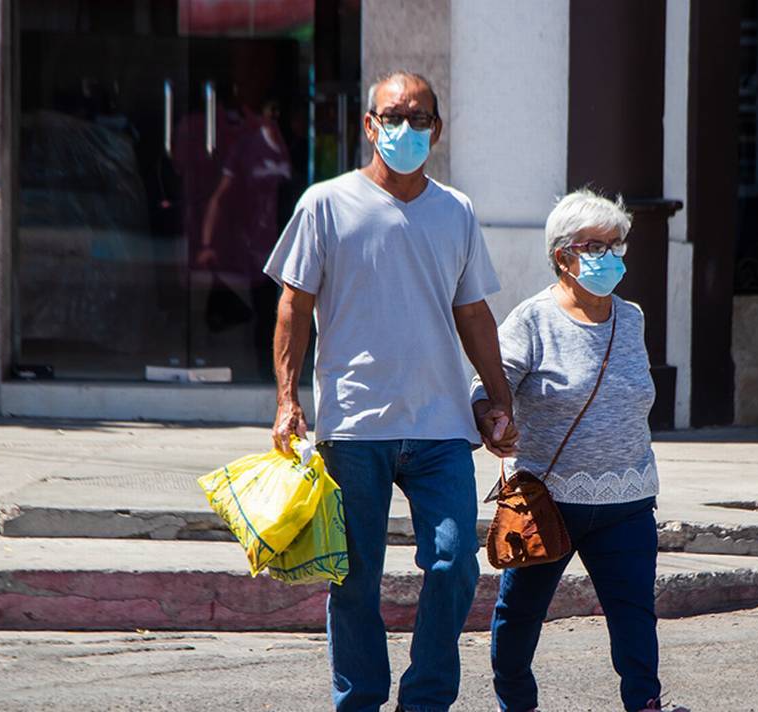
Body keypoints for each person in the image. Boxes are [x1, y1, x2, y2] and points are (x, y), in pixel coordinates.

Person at [264, 70, 518, 712]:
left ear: (437, 128)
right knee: (353, 581)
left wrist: (499, 399)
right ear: (370, 125)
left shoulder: (455, 210)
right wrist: (288, 400)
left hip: (441, 425)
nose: (406, 129)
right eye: (393, 117)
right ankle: (360, 699)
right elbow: (293, 305)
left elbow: (474, 313)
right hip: (354, 427)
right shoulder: (325, 203)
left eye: (420, 118)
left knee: (455, 565)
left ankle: (427, 699)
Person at [472, 190, 678, 712]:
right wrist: (495, 419)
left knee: (634, 615)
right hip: (548, 500)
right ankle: (515, 703)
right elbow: (488, 385)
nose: (612, 256)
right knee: (519, 615)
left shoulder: (631, 319)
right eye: (597, 246)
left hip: (628, 495)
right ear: (564, 255)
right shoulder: (532, 320)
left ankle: (645, 703)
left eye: (618, 244)